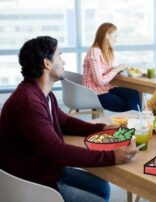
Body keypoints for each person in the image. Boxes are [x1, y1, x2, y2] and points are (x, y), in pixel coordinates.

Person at [0, 36, 138, 202]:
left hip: (45, 168)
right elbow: (57, 151)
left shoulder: (43, 94)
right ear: (47, 63)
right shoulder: (28, 103)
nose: (63, 61)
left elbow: (64, 121)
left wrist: (101, 128)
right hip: (30, 181)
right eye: (59, 55)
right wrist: (112, 156)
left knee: (102, 187)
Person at [83, 22, 141, 112]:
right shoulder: (94, 51)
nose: (116, 40)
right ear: (107, 35)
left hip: (105, 88)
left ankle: (135, 123)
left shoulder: (101, 51)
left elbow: (102, 71)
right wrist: (116, 69)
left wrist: (117, 69)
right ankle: (135, 123)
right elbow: (100, 81)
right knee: (127, 105)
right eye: (115, 36)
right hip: (95, 93)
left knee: (133, 94)